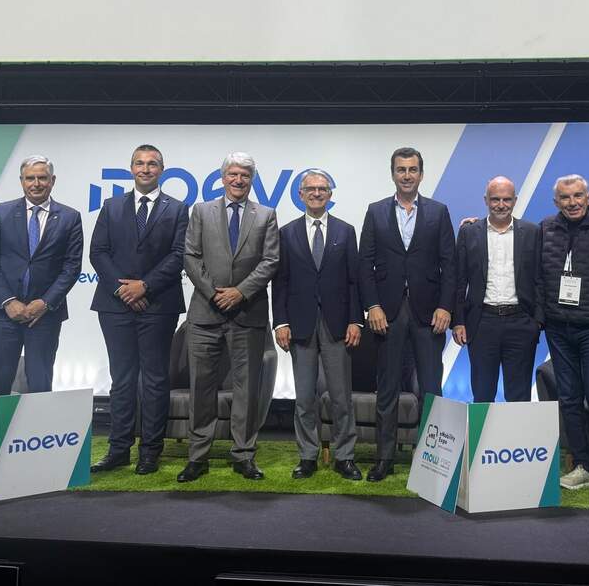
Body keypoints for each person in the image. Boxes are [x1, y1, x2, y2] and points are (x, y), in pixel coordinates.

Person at [179, 152, 279, 482]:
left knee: (247, 390)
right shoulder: (201, 211)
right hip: (205, 313)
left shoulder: (266, 215)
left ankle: (243, 455)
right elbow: (191, 256)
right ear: (223, 178)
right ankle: (198, 456)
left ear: (252, 180)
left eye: (245, 176)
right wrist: (214, 293)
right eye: (233, 174)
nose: (238, 180)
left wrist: (240, 292)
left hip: (247, 313)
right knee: (201, 387)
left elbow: (270, 261)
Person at [89, 144, 189, 476]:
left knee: (155, 380)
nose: (146, 169)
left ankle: (150, 451)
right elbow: (98, 252)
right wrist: (124, 290)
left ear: (162, 169)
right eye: (140, 163)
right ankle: (118, 449)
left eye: (152, 164)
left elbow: (179, 255)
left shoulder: (178, 209)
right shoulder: (111, 206)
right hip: (114, 305)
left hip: (158, 305)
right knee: (121, 380)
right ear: (131, 168)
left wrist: (144, 286)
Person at [359, 147, 455, 482]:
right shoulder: (375, 212)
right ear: (393, 174)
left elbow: (450, 265)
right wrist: (372, 305)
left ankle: (432, 461)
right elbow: (364, 264)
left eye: (413, 169)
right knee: (387, 388)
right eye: (401, 169)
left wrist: (446, 306)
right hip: (387, 313)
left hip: (429, 313)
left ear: (421, 174)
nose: (407, 175)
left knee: (431, 388)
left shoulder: (439, 212)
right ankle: (384, 459)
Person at [272, 170, 363, 481]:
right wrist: (280, 322)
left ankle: (344, 457)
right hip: (300, 325)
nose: (316, 193)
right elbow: (280, 283)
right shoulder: (286, 233)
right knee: (304, 398)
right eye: (310, 189)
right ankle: (307, 456)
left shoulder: (346, 231)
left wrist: (356, 320)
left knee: (341, 397)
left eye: (322, 188)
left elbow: (354, 281)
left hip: (338, 325)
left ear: (330, 194)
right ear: (300, 195)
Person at [538, 174, 589, 490]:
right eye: (565, 197)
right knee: (569, 399)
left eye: (577, 196)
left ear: (588, 197)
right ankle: (583, 466)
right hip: (558, 328)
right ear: (556, 201)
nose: (572, 202)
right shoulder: (545, 228)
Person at [0, 155, 83, 395]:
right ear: (21, 181)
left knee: (40, 384)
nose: (36, 184)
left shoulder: (70, 217)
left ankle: (38, 424)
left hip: (44, 316)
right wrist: (8, 302)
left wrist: (45, 303)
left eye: (42, 178)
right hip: (2, 314)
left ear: (52, 180)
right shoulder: (1, 213)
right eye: (30, 178)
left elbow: (71, 267)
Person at [452, 177, 542, 403]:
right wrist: (458, 321)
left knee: (519, 395)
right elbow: (459, 281)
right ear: (486, 200)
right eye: (495, 199)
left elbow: (540, 279)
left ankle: (517, 431)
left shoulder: (532, 232)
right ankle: (483, 430)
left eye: (506, 199)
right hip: (482, 323)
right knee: (482, 393)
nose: (501, 205)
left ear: (515, 200)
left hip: (521, 323)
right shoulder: (469, 232)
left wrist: (537, 322)